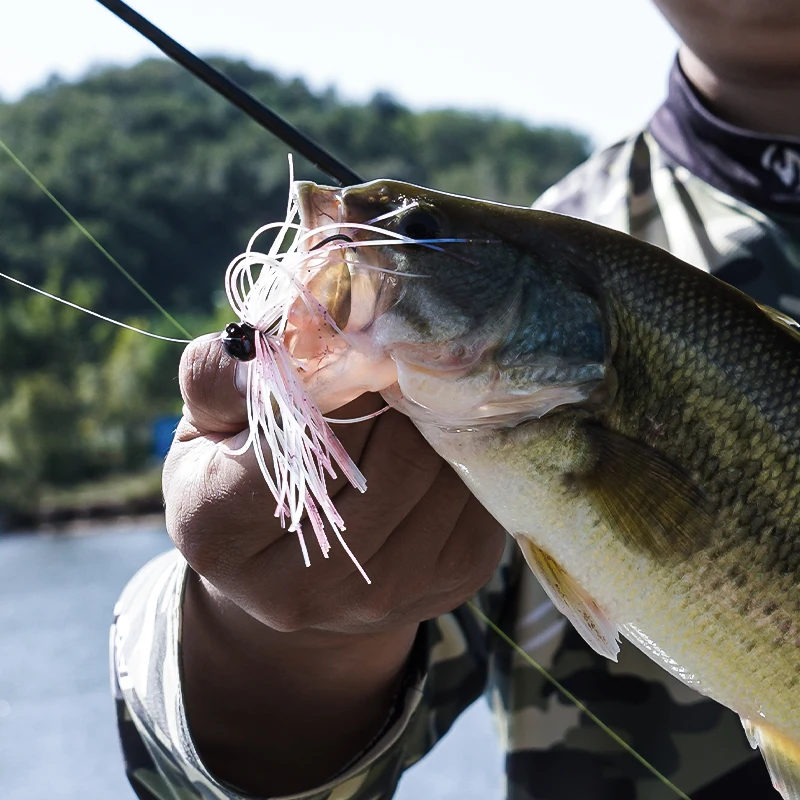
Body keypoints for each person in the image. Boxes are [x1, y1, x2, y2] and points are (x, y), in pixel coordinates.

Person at [111, 1, 800, 798]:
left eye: (418, 227)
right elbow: (206, 776)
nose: (377, 234)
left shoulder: (566, 271)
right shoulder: (564, 256)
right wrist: (273, 632)